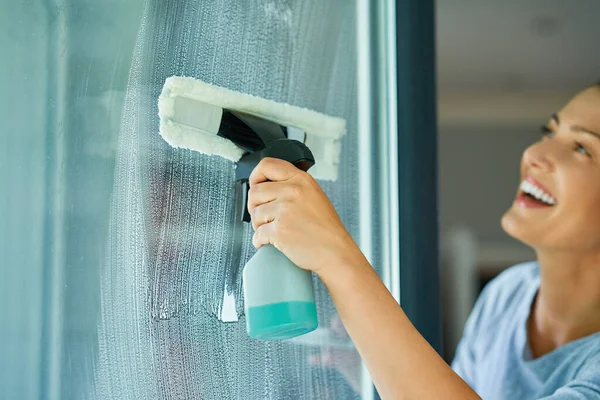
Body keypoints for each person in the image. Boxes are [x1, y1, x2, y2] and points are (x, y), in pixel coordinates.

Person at [246, 82, 600, 399]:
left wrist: (337, 256)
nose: (535, 155)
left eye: (582, 149)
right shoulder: (507, 296)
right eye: (549, 132)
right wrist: (373, 367)